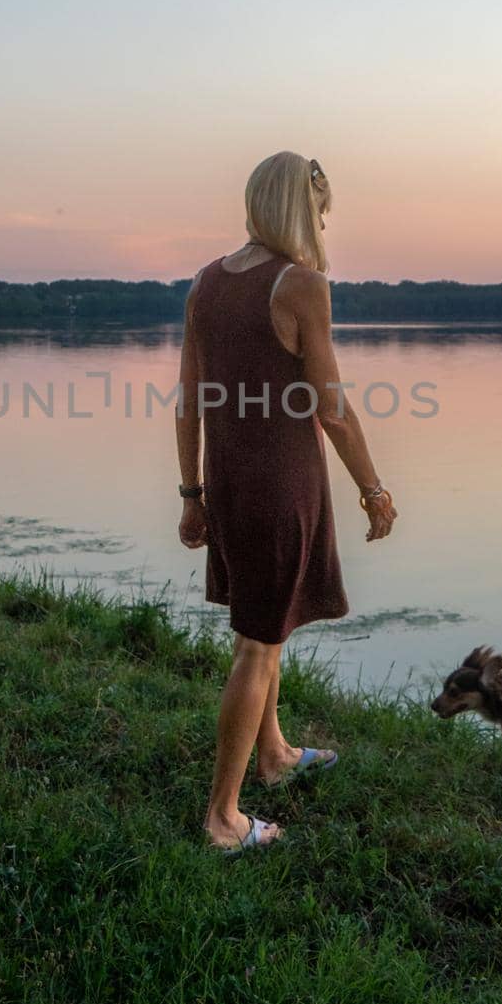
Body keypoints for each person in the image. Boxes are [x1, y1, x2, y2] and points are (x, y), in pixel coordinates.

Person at [176, 151, 397, 852]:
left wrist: (191, 493)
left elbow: (189, 404)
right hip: (280, 486)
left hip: (231, 485)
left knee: (263, 630)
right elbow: (330, 406)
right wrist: (374, 488)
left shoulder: (207, 282)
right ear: (303, 211)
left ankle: (272, 756)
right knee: (258, 648)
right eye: (321, 212)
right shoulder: (302, 284)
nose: (324, 224)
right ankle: (222, 818)